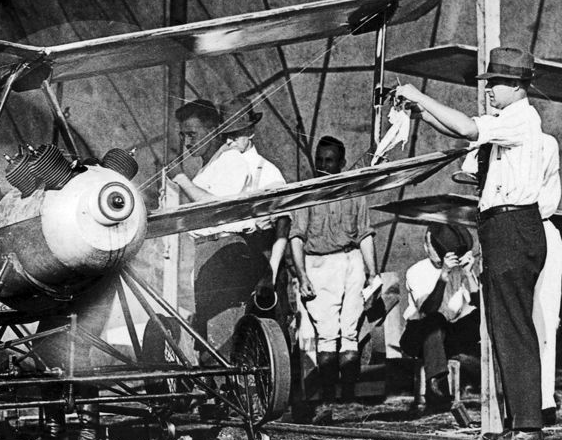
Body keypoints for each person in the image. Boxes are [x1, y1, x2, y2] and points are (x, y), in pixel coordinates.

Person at [396, 46, 548, 440]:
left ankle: (528, 423)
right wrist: (420, 113)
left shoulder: (519, 119)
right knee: (502, 324)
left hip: (513, 225)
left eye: (496, 83)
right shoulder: (508, 119)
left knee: (512, 325)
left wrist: (419, 96)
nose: (489, 90)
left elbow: (465, 129)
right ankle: (520, 420)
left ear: (516, 85)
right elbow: (460, 127)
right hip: (503, 227)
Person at [168, 96, 285, 355]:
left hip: (224, 250)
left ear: (213, 130)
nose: (188, 142)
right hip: (207, 252)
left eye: (193, 134)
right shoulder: (208, 168)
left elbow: (217, 207)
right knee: (209, 334)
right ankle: (220, 389)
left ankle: (227, 390)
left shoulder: (233, 160)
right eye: (183, 135)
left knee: (223, 337)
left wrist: (180, 179)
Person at [283, 136, 381, 417]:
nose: (323, 166)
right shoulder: (306, 194)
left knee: (349, 333)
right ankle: (327, 400)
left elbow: (364, 235)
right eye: (320, 160)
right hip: (318, 265)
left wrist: (372, 273)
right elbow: (297, 238)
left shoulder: (355, 192)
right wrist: (302, 276)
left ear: (341, 163)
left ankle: (346, 401)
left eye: (330, 161)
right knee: (327, 335)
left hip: (350, 262)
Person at [399, 224, 480, 411]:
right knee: (436, 320)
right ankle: (437, 385)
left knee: (481, 317)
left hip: (447, 334)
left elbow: (479, 305)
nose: (437, 251)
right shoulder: (416, 271)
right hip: (418, 336)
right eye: (433, 246)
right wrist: (443, 275)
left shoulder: (458, 270)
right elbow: (428, 309)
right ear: (426, 246)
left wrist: (469, 274)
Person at [532, 134, 562, 424]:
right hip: (512, 232)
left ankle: (543, 399)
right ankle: (525, 398)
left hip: (539, 229)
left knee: (544, 320)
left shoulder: (545, 143)